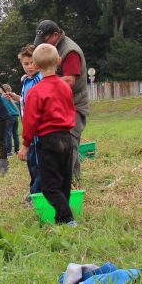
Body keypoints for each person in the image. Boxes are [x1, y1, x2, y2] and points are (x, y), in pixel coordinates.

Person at [19, 43, 77, 226]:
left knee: (49, 186)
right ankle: (61, 220)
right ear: (59, 61)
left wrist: (25, 144)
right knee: (64, 181)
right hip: (67, 138)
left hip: (49, 141)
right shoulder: (65, 87)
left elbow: (30, 120)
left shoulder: (35, 91)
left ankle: (68, 218)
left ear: (35, 66)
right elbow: (71, 109)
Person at [32, 20, 88, 179]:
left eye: (45, 40)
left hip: (74, 106)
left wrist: (45, 84)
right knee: (65, 147)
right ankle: (72, 182)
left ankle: (67, 186)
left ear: (56, 35)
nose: (43, 45)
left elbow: (70, 80)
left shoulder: (69, 51)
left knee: (69, 146)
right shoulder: (55, 49)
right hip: (61, 105)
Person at [15, 44, 43, 199]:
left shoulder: (40, 79)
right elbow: (26, 102)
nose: (30, 66)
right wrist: (16, 98)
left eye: (33, 62)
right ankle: (35, 190)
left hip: (39, 131)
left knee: (39, 163)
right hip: (28, 129)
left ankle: (36, 194)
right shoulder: (26, 81)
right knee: (32, 162)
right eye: (26, 64)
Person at [1, 83, 21, 156]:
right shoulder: (14, 97)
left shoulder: (3, 97)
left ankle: (9, 152)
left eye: (0, 90)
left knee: (8, 134)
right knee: (15, 134)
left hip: (9, 117)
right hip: (16, 116)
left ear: (3, 90)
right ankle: (17, 150)